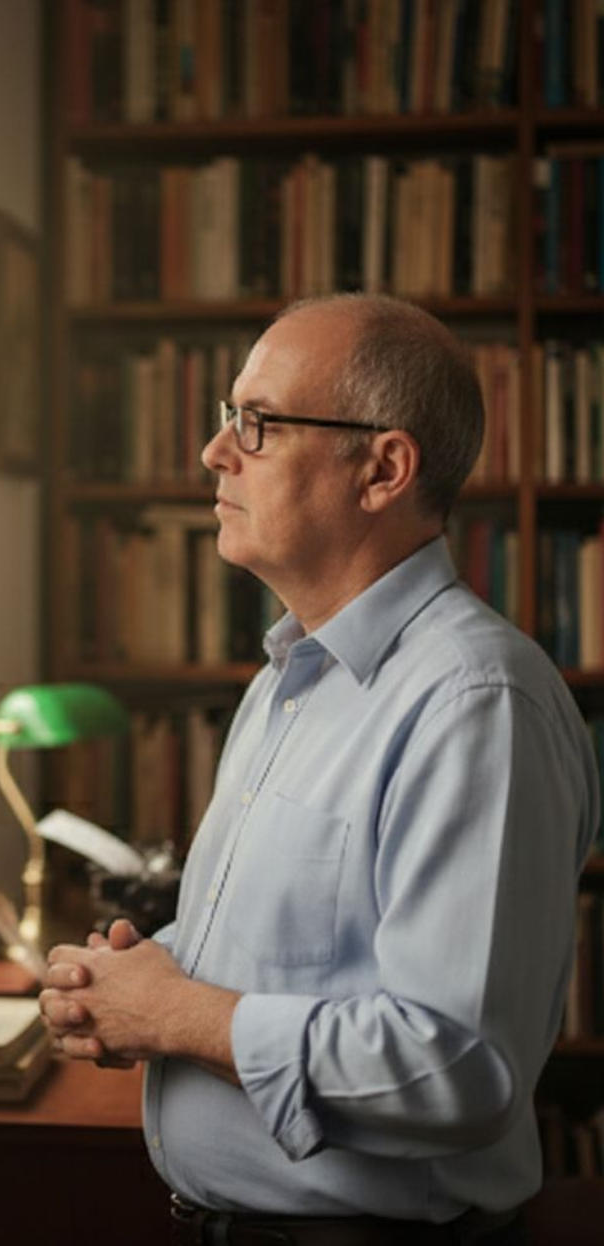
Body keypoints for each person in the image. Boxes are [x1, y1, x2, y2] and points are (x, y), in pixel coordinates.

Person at [39, 293, 599, 1246]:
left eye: (257, 423)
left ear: (383, 469)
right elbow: (309, 949)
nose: (215, 452)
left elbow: (453, 1069)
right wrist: (137, 978)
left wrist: (176, 1016)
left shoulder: (476, 703)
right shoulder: (289, 677)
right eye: (228, 416)